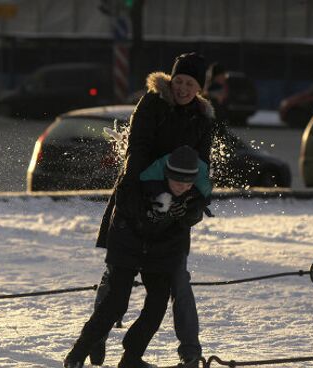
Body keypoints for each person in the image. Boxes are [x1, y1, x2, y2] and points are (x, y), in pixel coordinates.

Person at [78, 52, 215, 368]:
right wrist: (139, 198)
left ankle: (190, 352)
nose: (182, 88)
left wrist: (194, 201)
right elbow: (136, 151)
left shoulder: (202, 118)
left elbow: (203, 167)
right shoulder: (152, 103)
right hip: (135, 195)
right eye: (178, 81)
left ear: (199, 88)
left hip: (175, 208)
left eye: (189, 84)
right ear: (171, 79)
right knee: (116, 274)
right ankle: (96, 338)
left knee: (177, 278)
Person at [64, 146, 211, 368]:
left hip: (162, 253)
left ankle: (131, 356)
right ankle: (78, 353)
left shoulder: (193, 195)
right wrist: (151, 214)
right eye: (178, 181)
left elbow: (190, 217)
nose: (183, 187)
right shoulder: (140, 183)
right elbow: (126, 210)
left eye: (188, 182)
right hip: (127, 245)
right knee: (116, 302)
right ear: (166, 175)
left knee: (157, 305)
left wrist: (186, 214)